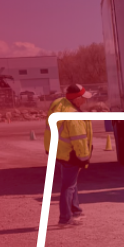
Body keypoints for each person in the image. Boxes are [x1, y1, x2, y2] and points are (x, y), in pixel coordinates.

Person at [44, 84, 94, 227]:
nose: (85, 101)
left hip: (57, 150)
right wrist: (84, 159)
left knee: (71, 182)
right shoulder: (73, 116)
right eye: (83, 98)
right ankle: (65, 218)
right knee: (68, 185)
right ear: (77, 99)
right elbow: (79, 139)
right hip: (69, 154)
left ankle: (75, 210)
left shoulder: (59, 104)